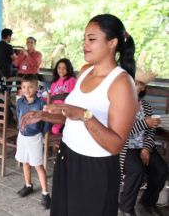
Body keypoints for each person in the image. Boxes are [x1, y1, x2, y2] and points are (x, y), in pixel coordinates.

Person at [21, 14, 137, 216]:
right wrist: (43, 115)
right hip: (68, 155)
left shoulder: (121, 83)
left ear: (112, 42)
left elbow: (115, 144)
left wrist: (86, 115)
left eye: (92, 39)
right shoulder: (85, 71)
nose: (85, 44)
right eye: (84, 39)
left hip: (95, 168)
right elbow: (71, 117)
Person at [119, 67, 167, 216]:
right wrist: (144, 123)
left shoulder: (146, 106)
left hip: (143, 146)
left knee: (161, 170)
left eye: (142, 85)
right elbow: (122, 130)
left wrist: (146, 148)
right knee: (137, 170)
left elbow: (151, 129)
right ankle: (126, 207)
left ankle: (147, 202)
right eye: (137, 83)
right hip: (126, 147)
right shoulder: (120, 104)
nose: (140, 87)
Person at [15, 74, 51, 210]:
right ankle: (28, 185)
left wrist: (43, 133)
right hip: (22, 136)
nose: (27, 90)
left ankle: (45, 194)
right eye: (24, 87)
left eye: (30, 87)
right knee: (25, 161)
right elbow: (18, 114)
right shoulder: (20, 102)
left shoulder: (41, 103)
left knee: (37, 165)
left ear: (36, 88)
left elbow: (47, 119)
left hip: (35, 137)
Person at [49, 58, 76, 134]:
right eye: (59, 68)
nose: (61, 70)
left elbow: (70, 96)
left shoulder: (72, 80)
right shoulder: (54, 82)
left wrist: (56, 97)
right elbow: (51, 97)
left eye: (64, 68)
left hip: (64, 110)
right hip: (53, 109)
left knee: (55, 130)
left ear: (68, 69)